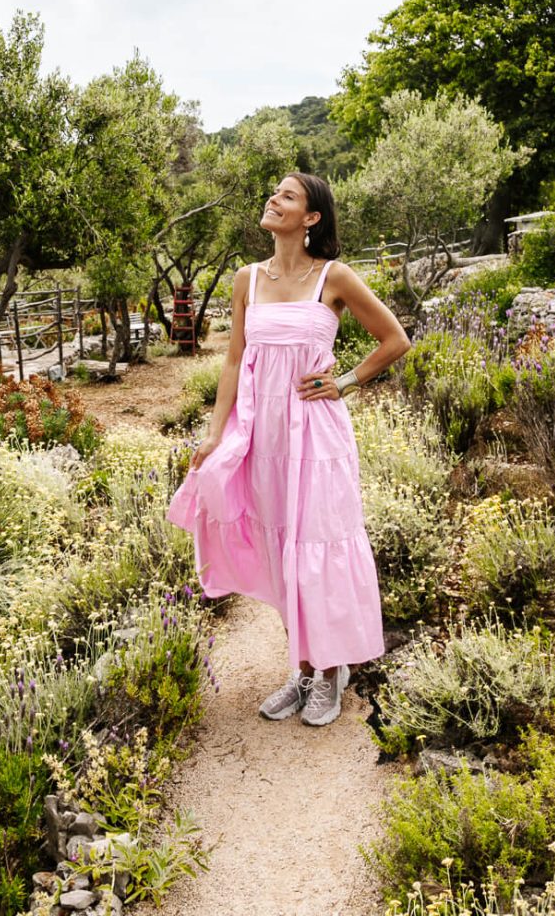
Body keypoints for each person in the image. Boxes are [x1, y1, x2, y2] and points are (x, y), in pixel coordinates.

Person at [167, 172, 410, 726]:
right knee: (281, 552)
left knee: (318, 546)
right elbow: (233, 361)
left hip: (316, 435)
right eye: (273, 192)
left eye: (287, 196)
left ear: (311, 218)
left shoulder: (335, 277)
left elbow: (395, 339)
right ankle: (301, 669)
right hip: (262, 434)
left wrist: (344, 382)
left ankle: (331, 672)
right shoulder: (246, 279)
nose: (273, 200)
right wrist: (215, 432)